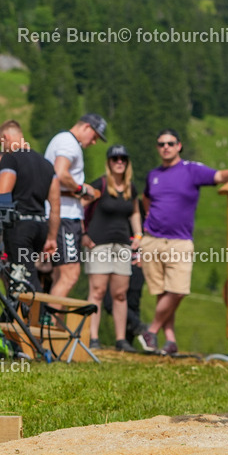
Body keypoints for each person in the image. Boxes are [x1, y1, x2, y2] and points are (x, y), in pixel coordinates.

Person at [137, 129, 228, 357]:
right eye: (161, 144)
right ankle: (170, 341)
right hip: (152, 240)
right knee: (162, 293)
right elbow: (146, 198)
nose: (165, 147)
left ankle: (151, 330)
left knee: (177, 291)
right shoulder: (153, 175)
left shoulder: (191, 170)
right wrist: (147, 220)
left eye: (170, 143)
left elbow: (218, 176)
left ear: (179, 146)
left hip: (180, 241)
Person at [81, 145, 142, 353]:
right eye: (115, 158)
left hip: (123, 244)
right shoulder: (101, 184)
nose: (119, 162)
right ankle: (93, 337)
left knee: (120, 294)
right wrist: (82, 233)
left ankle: (120, 339)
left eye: (123, 158)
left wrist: (138, 235)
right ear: (108, 161)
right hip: (99, 243)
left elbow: (134, 212)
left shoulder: (130, 188)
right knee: (97, 291)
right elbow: (80, 204)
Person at [44, 113, 106, 298]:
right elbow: (61, 173)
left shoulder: (63, 140)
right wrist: (80, 189)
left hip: (61, 213)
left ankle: (49, 322)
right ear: (86, 127)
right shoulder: (69, 142)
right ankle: (50, 324)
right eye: (94, 137)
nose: (94, 142)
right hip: (65, 215)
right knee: (70, 275)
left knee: (58, 276)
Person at [0, 120, 59, 288]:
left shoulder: (11, 159)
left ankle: (37, 313)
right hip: (40, 228)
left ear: (6, 138)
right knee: (23, 274)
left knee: (24, 278)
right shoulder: (47, 165)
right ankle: (16, 314)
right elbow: (56, 205)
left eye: (2, 144)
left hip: (20, 227)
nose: (3, 150)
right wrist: (51, 237)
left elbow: (2, 195)